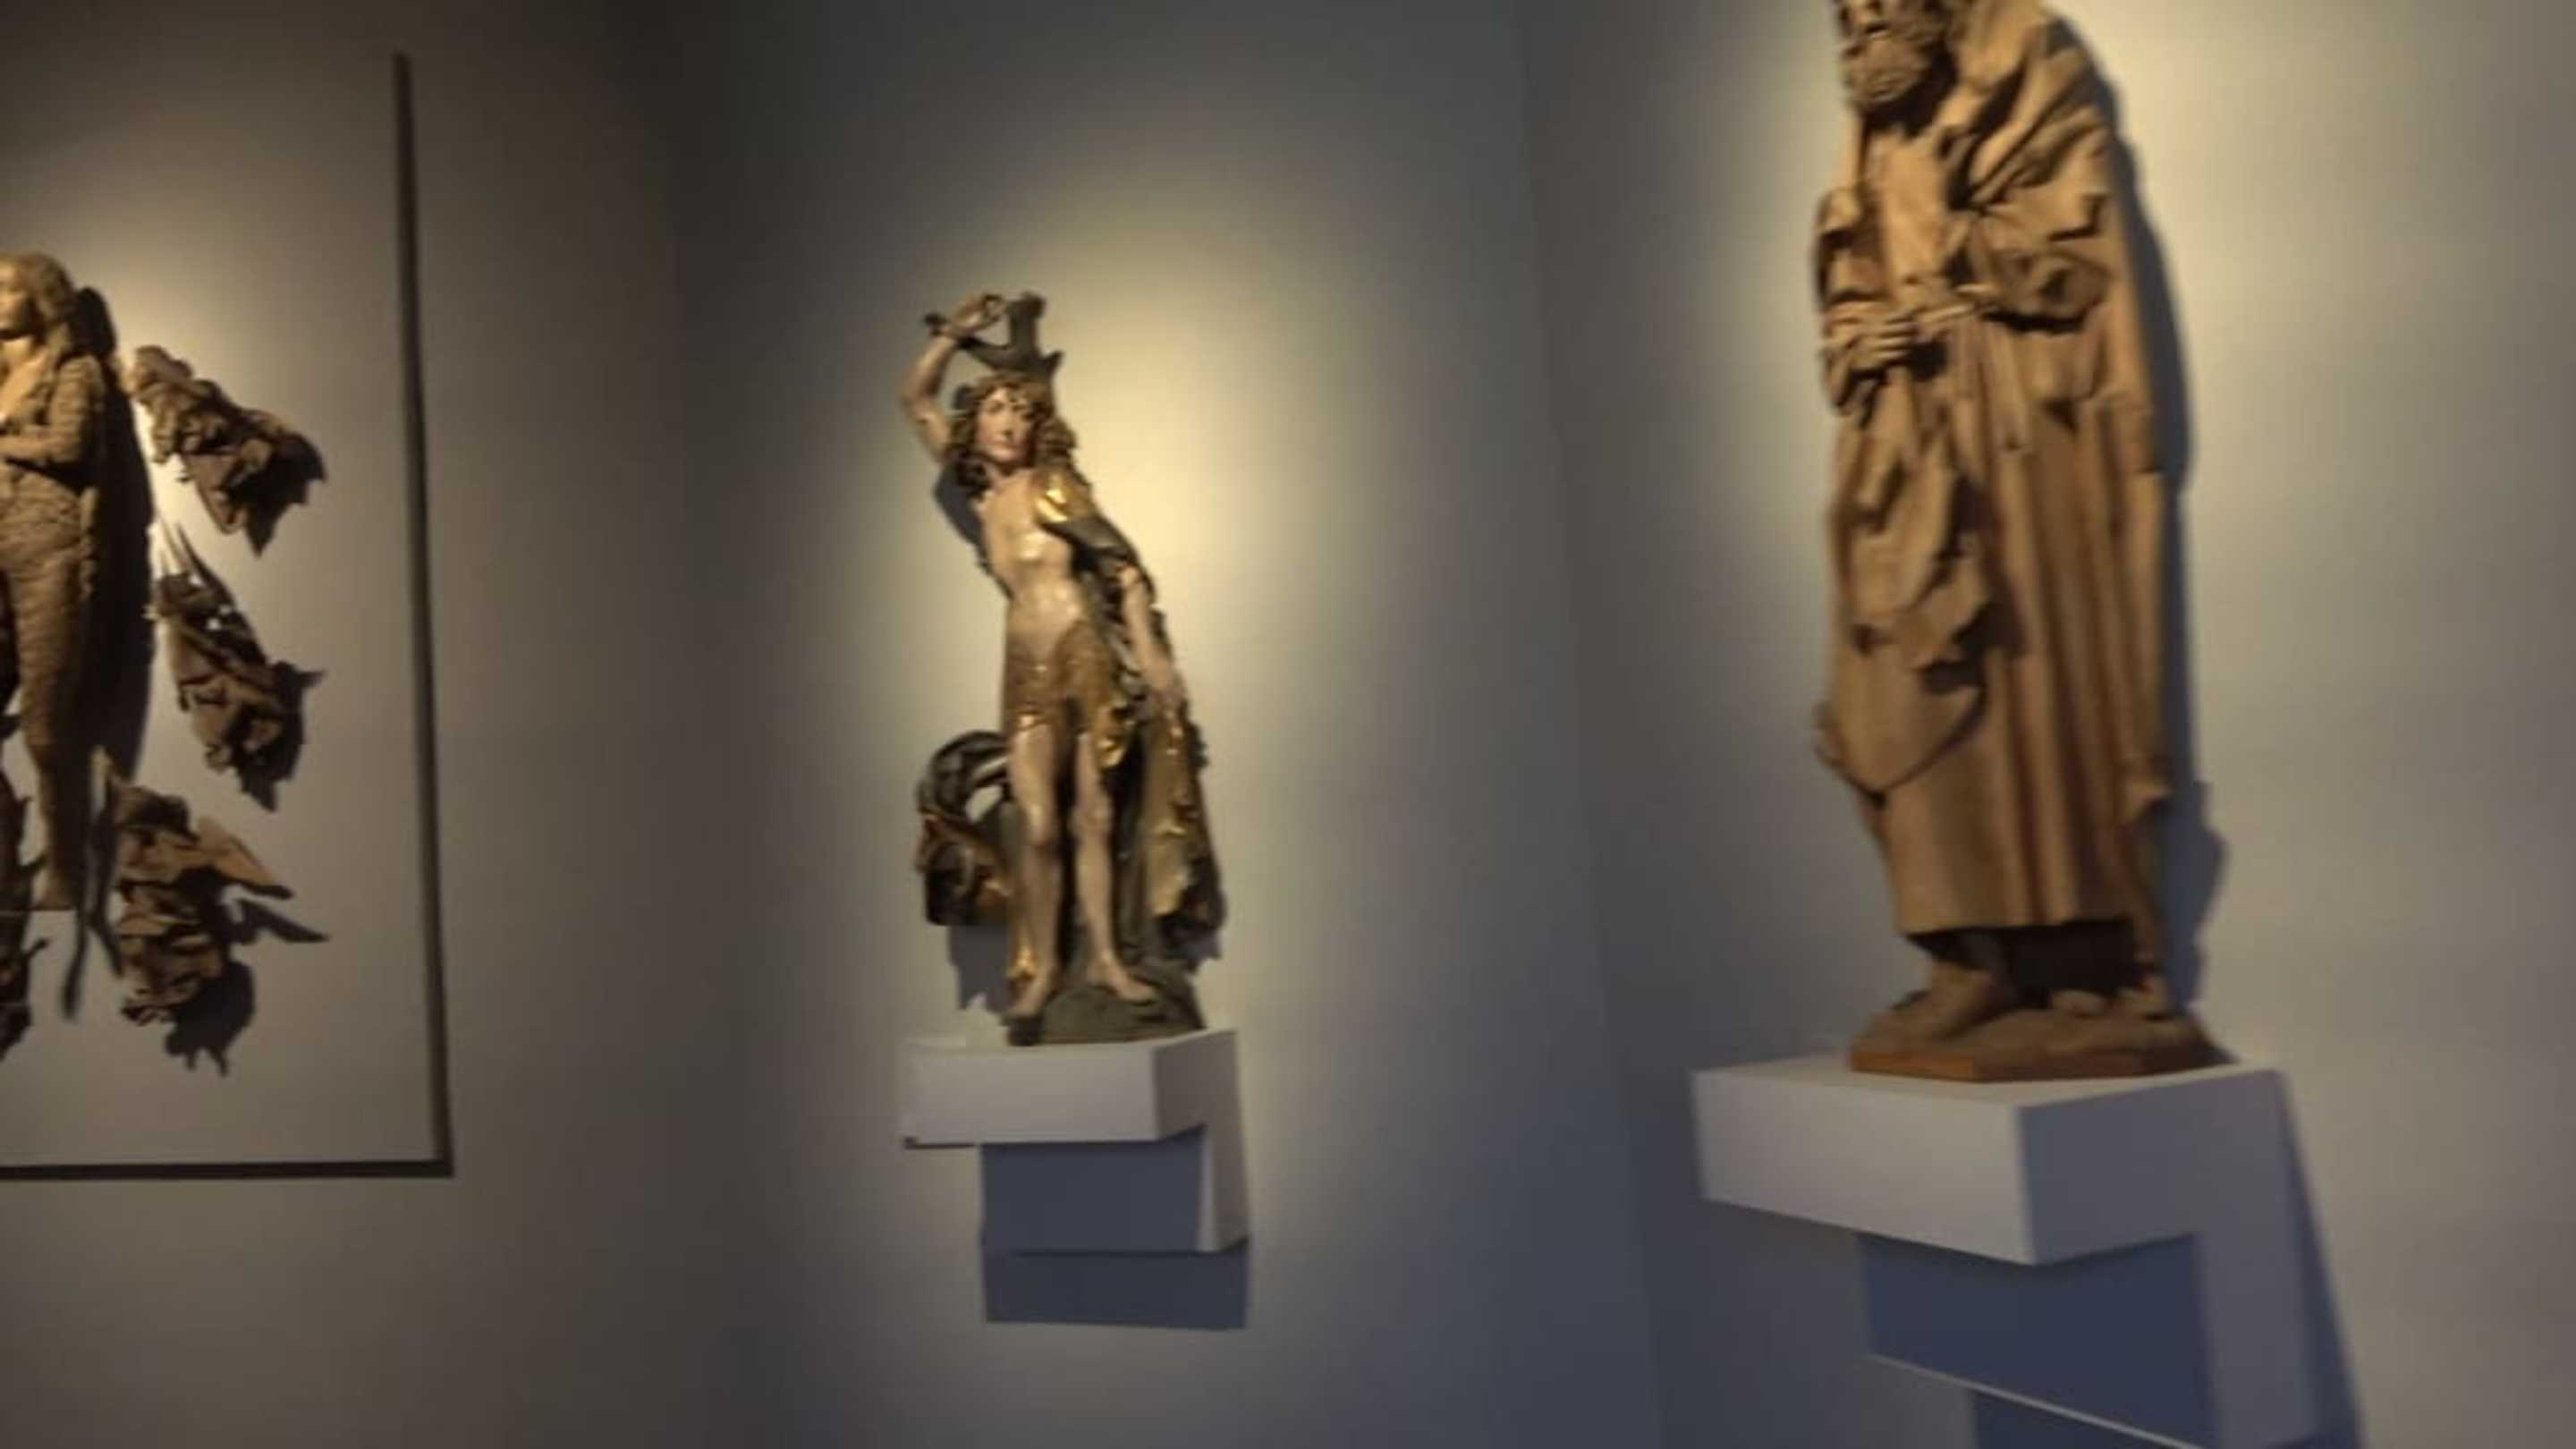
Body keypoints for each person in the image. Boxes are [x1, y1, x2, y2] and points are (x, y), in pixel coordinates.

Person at [1810, 1, 2203, 1073]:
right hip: (1901, 453)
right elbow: (1848, 286)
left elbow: (2075, 255)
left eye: (1884, 17)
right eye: (1848, 24)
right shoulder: (1871, 144)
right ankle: (1962, 953)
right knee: (1899, 687)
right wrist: (1862, 338)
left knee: (2028, 695)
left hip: (2017, 454)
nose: (1862, 45)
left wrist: (1964, 267)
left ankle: (2073, 953)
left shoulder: (2029, 74)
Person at [900, 292, 1219, 1044]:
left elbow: (1121, 566)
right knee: (1038, 827)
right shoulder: (983, 495)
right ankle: (1042, 967)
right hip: (1026, 666)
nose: (1009, 424)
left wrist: (1150, 656)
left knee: (1095, 818)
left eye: (1022, 411)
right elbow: (915, 399)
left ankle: (1105, 957)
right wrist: (953, 335)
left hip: (1085, 655)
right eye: (996, 410)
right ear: (977, 424)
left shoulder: (1057, 487)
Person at [0, 251, 104, 911]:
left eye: (7, 289)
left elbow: (68, 447)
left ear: (40, 298)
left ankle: (66, 865)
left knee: (43, 726)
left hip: (47, 549)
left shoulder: (72, 370)